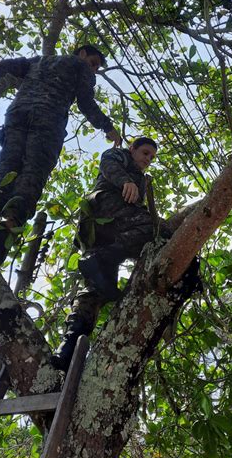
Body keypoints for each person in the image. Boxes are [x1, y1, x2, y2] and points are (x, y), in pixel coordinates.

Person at [0, 45, 121, 264]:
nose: (94, 69)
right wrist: (108, 127)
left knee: (7, 164)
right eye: (94, 62)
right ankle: (7, 226)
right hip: (48, 119)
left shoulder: (40, 60)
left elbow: (7, 65)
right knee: (33, 171)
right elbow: (86, 102)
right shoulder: (80, 66)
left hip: (17, 113)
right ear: (83, 54)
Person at [51, 137, 170, 372]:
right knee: (160, 230)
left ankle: (66, 351)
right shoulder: (118, 157)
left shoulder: (142, 180)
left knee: (94, 294)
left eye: (152, 158)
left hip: (110, 236)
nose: (148, 160)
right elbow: (108, 166)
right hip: (102, 212)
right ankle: (102, 258)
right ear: (132, 148)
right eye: (145, 153)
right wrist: (127, 181)